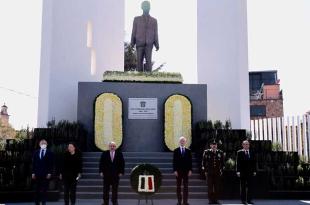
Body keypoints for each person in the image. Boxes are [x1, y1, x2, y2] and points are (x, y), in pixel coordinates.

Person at [131, 0, 159, 72]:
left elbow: (155, 33)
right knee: (139, 61)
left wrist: (157, 44)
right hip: (139, 43)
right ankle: (139, 78)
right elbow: (133, 31)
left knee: (148, 61)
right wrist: (132, 43)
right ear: (142, 7)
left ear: (149, 8)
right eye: (144, 6)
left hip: (149, 44)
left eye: (147, 6)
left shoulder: (154, 21)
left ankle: (149, 78)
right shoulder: (136, 19)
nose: (146, 7)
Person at [32, 139, 54, 205]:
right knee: (37, 190)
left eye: (44, 143)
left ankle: (43, 203)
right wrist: (33, 173)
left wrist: (50, 173)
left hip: (46, 174)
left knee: (44, 190)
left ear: (47, 144)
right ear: (39, 145)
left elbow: (51, 164)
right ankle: (37, 203)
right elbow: (33, 163)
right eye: (42, 143)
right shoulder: (36, 152)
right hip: (37, 174)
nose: (43, 144)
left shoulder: (50, 153)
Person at [202, 139, 224, 204]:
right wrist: (205, 170)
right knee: (210, 187)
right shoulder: (206, 152)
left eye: (215, 145)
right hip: (209, 172)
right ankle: (210, 200)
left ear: (217, 146)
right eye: (213, 145)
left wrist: (221, 170)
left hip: (217, 172)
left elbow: (222, 163)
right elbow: (203, 162)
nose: (214, 146)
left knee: (217, 187)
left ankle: (216, 199)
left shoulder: (220, 152)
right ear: (210, 145)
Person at [173, 136, 192, 205]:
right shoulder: (176, 150)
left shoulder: (188, 151)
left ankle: (185, 201)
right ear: (179, 142)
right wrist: (175, 170)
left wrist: (190, 170)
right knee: (178, 187)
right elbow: (174, 161)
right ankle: (179, 201)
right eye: (181, 141)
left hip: (186, 172)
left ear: (185, 142)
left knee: (186, 187)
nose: (182, 142)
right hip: (178, 172)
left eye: (183, 141)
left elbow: (190, 162)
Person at [236, 140, 257, 204]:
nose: (246, 145)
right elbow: (238, 163)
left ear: (249, 145)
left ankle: (249, 200)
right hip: (242, 172)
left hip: (250, 172)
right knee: (242, 187)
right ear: (242, 145)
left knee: (250, 186)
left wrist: (254, 171)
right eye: (245, 144)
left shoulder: (252, 152)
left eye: (247, 144)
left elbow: (254, 162)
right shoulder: (239, 152)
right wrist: (238, 171)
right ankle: (243, 200)